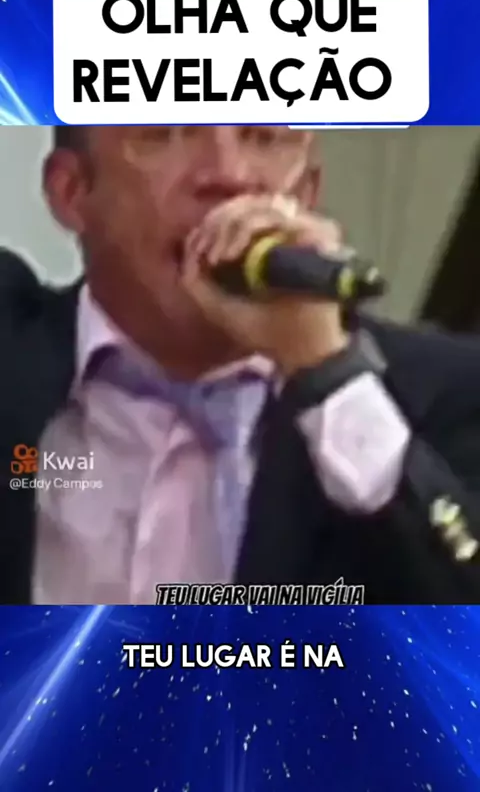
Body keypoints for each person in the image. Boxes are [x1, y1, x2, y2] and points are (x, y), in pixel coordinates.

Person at [0, 124, 479, 605]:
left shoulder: (445, 395)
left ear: (307, 194)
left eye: (264, 138)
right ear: (71, 190)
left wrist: (327, 376)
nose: (230, 176)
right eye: (166, 133)